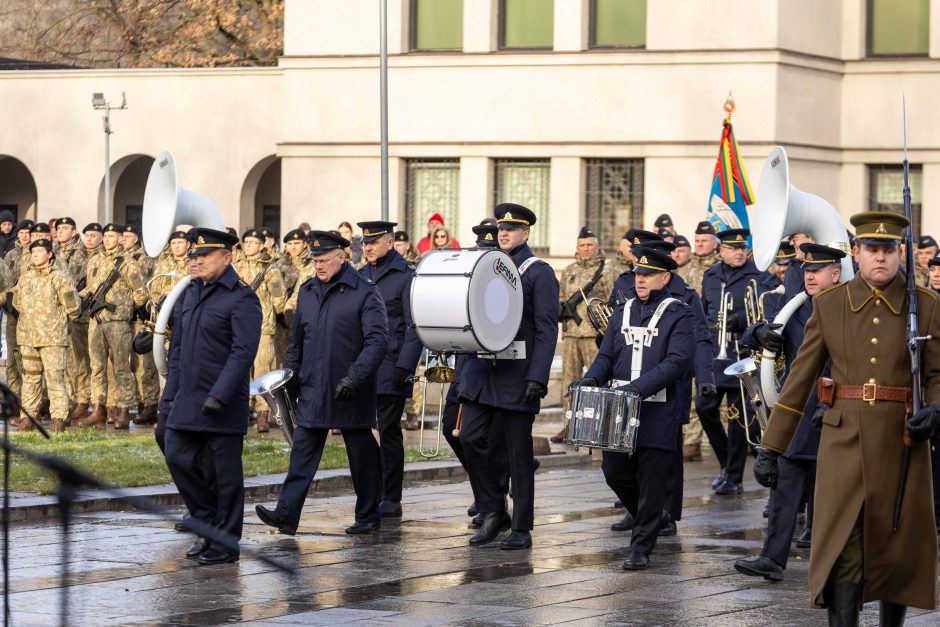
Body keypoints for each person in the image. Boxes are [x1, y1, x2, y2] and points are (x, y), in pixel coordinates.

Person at [754, 212, 940, 623]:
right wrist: (772, 446)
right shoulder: (831, 304)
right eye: (872, 249)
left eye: (888, 250)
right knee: (842, 547)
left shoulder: (924, 306)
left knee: (898, 547)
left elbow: (936, 374)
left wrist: (936, 409)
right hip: (843, 443)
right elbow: (800, 380)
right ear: (855, 253)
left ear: (900, 254)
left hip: (901, 442)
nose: (880, 258)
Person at [255, 230, 388, 536]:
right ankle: (286, 515)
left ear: (343, 257)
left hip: (349, 388)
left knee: (361, 454)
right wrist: (288, 378)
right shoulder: (308, 290)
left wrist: (355, 377)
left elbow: (377, 342)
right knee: (302, 452)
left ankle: (369, 514)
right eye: (315, 260)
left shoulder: (365, 292)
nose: (319, 266)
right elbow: (297, 343)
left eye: (325, 260)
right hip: (314, 386)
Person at [573, 246, 694, 570]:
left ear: (665, 277)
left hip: (659, 412)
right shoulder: (622, 311)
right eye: (638, 274)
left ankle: (641, 546)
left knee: (652, 479)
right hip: (619, 411)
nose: (640, 280)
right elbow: (606, 358)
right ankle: (653, 517)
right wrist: (590, 380)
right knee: (614, 472)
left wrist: (637, 388)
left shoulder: (679, 313)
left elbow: (677, 361)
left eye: (649, 275)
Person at [734, 243, 844, 583]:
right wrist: (758, 333)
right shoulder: (797, 306)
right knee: (785, 483)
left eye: (817, 271)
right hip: (797, 407)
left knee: (830, 489)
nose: (809, 276)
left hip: (834, 406)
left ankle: (830, 555)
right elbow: (761, 329)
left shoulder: (848, 307)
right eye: (806, 271)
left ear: (836, 274)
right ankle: (772, 557)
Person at [458, 203, 559, 550]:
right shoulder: (485, 267)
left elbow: (547, 329)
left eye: (512, 229)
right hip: (483, 372)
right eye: (501, 228)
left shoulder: (538, 271)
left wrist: (538, 376)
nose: (504, 233)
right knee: (469, 438)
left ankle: (521, 527)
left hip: (518, 374)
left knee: (518, 455)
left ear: (526, 233)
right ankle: (492, 510)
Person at [162, 228, 261, 565]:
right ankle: (206, 520)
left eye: (205, 256)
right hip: (187, 397)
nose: (197, 260)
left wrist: (220, 394)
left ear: (227, 257)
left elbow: (243, 352)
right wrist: (170, 393)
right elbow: (179, 346)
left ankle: (225, 543)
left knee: (224, 476)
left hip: (222, 402)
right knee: (176, 454)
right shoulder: (191, 292)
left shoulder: (242, 297)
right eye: (194, 255)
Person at [356, 220, 423, 518]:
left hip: (392, 364)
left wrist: (405, 364)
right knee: (359, 429)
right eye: (364, 243)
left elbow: (413, 324)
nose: (367, 248)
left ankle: (391, 496)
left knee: (388, 430)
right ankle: (373, 487)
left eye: (373, 242)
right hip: (363, 366)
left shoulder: (406, 275)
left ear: (390, 242)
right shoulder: (359, 275)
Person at [697, 228, 770, 495]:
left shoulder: (759, 277)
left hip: (742, 356)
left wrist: (742, 320)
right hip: (715, 356)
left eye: (743, 248)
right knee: (704, 408)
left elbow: (766, 311)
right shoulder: (711, 276)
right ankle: (725, 463)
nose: (740, 252)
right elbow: (705, 313)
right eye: (733, 248)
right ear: (722, 250)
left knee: (738, 419)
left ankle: (734, 476)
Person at [2, 238, 80, 432]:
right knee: (30, 379)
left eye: (39, 251)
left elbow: (74, 307)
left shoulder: (59, 277)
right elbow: (15, 299)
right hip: (28, 337)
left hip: (52, 339)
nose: (35, 254)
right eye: (33, 251)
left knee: (55, 379)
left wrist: (57, 320)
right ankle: (28, 418)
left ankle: (59, 419)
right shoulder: (26, 277)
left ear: (50, 254)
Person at [77, 223, 147, 429]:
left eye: (111, 236)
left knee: (121, 367)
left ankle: (123, 410)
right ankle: (98, 409)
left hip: (117, 323)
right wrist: (81, 298)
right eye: (105, 236)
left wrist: (123, 309)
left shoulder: (127, 263)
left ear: (120, 239)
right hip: (96, 321)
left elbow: (140, 294)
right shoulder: (95, 260)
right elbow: (91, 285)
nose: (107, 239)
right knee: (97, 367)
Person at [555, 226, 619, 442]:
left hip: (595, 335)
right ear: (577, 247)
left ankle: (600, 427)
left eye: (590, 245)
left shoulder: (608, 271)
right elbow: (561, 297)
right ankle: (569, 425)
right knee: (569, 382)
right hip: (572, 334)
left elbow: (613, 302)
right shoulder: (569, 270)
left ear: (597, 246)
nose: (586, 249)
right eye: (582, 245)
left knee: (598, 382)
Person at [233, 228, 287, 433]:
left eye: (253, 242)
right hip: (239, 324)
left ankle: (263, 414)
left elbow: (279, 299)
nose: (248, 245)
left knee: (262, 370)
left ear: (262, 245)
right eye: (246, 242)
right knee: (240, 369)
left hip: (263, 326)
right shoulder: (235, 266)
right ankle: (243, 410)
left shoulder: (270, 269)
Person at [121, 224, 160, 426]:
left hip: (141, 316)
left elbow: (148, 287)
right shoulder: (119, 260)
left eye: (128, 236)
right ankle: (138, 401)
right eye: (123, 236)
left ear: (136, 239)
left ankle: (150, 404)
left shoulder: (146, 261)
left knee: (147, 366)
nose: (124, 239)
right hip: (124, 316)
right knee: (132, 364)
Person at [67, 223, 103, 422]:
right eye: (87, 235)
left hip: (97, 317)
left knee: (98, 363)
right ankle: (81, 402)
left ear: (101, 237)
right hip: (77, 317)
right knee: (79, 362)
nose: (89, 239)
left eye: (94, 235)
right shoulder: (76, 255)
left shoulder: (104, 258)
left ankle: (101, 404)